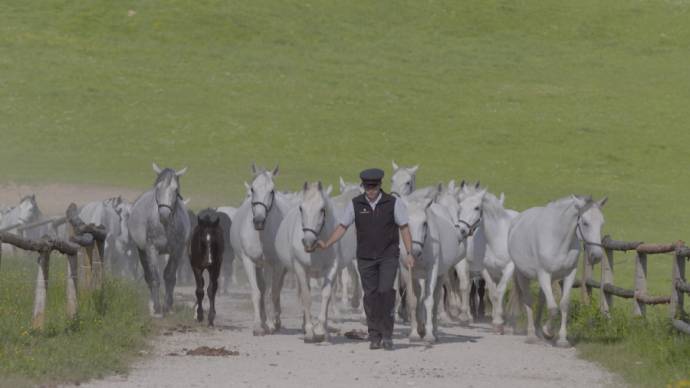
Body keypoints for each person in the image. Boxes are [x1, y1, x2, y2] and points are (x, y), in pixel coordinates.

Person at [317, 168, 414, 350]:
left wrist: (409, 253)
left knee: (385, 292)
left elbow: (404, 227)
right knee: (370, 296)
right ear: (363, 186)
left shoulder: (393, 203)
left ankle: (387, 334)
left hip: (388, 256)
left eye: (374, 187)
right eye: (367, 187)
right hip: (365, 257)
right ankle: (374, 335)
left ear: (380, 185)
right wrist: (327, 243)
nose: (371, 190)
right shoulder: (355, 204)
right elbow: (342, 227)